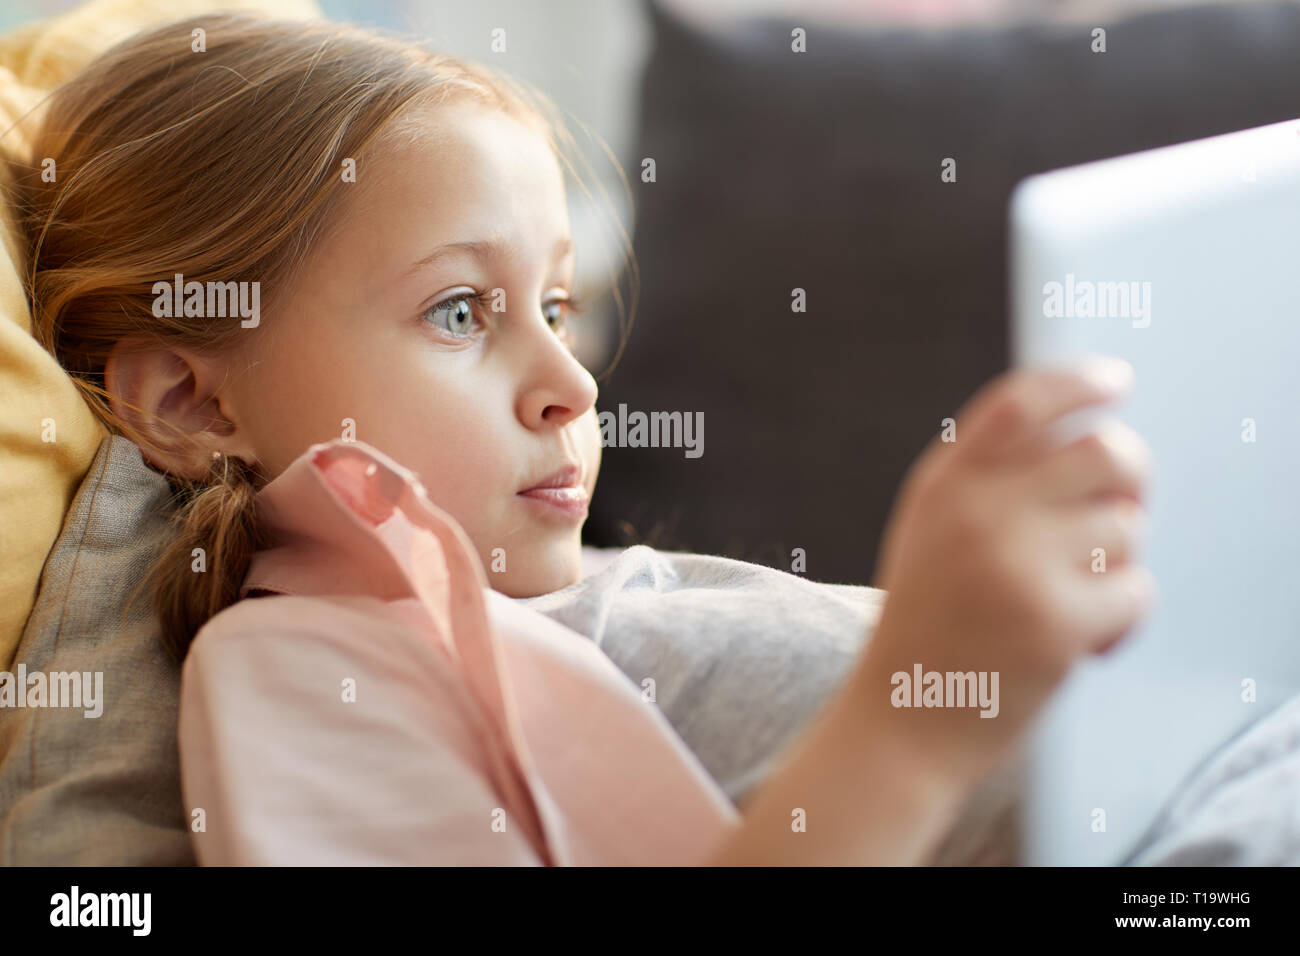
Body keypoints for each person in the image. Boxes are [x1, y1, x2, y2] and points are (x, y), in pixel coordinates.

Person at [11, 13, 1152, 865]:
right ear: (196, 406)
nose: (569, 380)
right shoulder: (311, 670)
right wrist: (913, 723)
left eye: (556, 308)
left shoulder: (577, 594)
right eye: (459, 311)